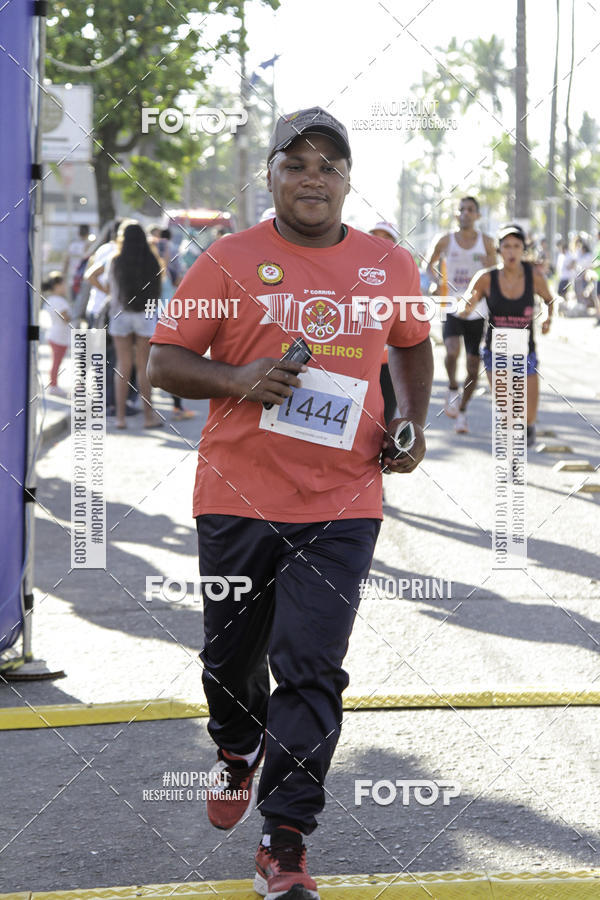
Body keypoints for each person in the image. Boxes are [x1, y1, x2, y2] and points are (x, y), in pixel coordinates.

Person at [148, 106, 433, 900]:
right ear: (270, 175)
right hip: (237, 494)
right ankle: (236, 745)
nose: (313, 178)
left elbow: (413, 344)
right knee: (230, 660)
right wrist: (237, 380)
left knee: (311, 666)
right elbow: (162, 362)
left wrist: (410, 421)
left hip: (344, 499)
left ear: (347, 180)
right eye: (296, 163)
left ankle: (285, 838)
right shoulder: (229, 259)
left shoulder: (388, 264)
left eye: (328, 165)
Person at [458, 224, 554, 447]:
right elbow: (466, 302)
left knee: (528, 415)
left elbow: (549, 300)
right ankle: (512, 451)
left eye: (516, 246)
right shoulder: (486, 278)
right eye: (507, 246)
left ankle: (527, 427)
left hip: (525, 352)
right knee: (507, 409)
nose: (512, 251)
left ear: (523, 249)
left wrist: (547, 318)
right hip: (496, 351)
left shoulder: (534, 277)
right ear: (499, 250)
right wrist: (465, 307)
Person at [427, 196, 496, 433]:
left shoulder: (486, 242)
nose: (465, 213)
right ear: (457, 214)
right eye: (462, 209)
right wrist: (435, 282)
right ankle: (452, 387)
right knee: (452, 351)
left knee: (473, 366)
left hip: (477, 308)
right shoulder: (445, 240)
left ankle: (463, 412)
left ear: (477, 215)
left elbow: (494, 272)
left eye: (470, 209)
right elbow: (429, 264)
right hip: (451, 304)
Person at [91, 221, 163, 429]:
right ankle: (148, 417)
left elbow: (102, 282)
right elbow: (157, 292)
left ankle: (120, 418)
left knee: (123, 365)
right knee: (143, 366)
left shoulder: (115, 260)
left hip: (120, 313)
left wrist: (110, 294)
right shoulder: (153, 261)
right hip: (145, 315)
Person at [368, 221, 401, 425]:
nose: (380, 241)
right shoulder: (349, 268)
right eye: (375, 235)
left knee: (383, 424)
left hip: (388, 364)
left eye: (386, 237)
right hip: (358, 360)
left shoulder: (403, 273)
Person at [43, 271, 71, 396]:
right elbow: (65, 318)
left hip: (55, 334)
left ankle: (53, 384)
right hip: (60, 336)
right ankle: (53, 386)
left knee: (55, 362)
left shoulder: (50, 299)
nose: (65, 287)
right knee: (56, 362)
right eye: (63, 284)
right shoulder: (60, 301)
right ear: (57, 286)